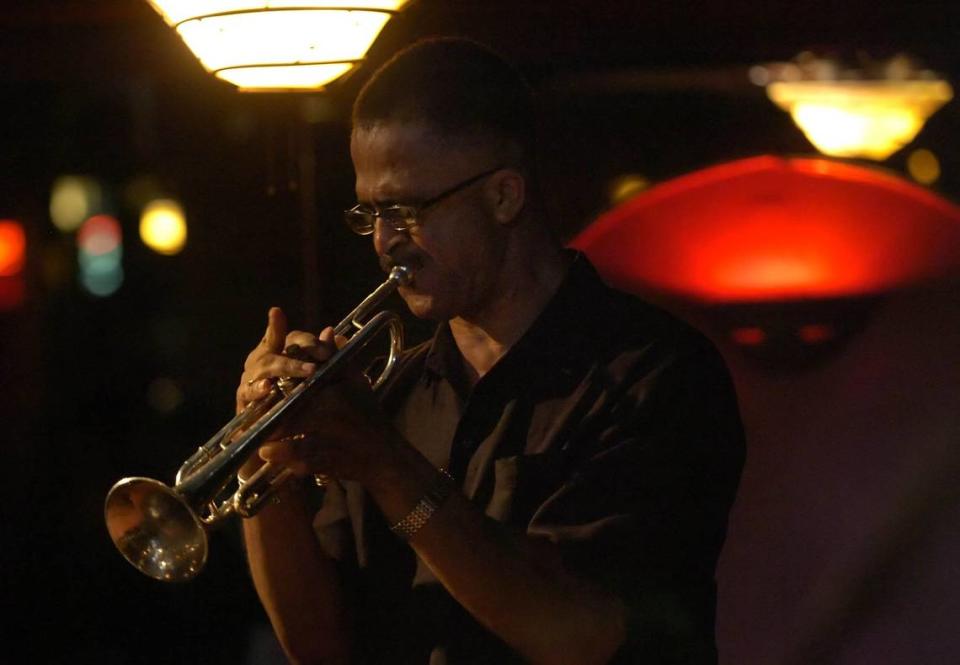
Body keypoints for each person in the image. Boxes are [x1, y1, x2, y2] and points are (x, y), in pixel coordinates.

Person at [235, 38, 745, 665]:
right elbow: (320, 648)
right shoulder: (388, 397)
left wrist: (387, 465)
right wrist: (261, 467)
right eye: (371, 214)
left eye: (407, 209)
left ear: (504, 196)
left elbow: (579, 634)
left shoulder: (656, 375)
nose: (387, 242)